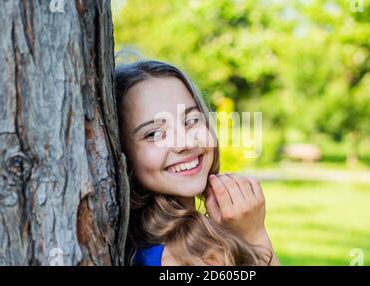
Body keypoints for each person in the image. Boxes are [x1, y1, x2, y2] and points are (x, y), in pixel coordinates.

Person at [115, 60, 280, 266]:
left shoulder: (149, 242)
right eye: (155, 133)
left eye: (191, 120)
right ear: (122, 153)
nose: (185, 142)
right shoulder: (185, 258)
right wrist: (255, 237)